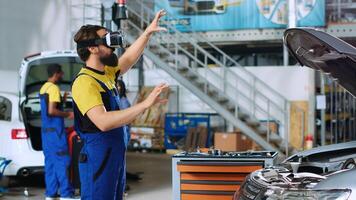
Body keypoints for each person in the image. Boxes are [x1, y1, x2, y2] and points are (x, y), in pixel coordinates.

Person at [71, 10, 168, 200]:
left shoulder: (105, 74)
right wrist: (144, 105)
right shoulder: (84, 82)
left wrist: (147, 33)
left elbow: (129, 58)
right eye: (107, 41)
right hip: (98, 155)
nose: (113, 46)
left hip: (113, 154)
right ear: (92, 48)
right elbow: (103, 122)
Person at [39, 64, 75, 200]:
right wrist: (68, 114)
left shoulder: (44, 87)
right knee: (63, 161)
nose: (62, 75)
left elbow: (47, 107)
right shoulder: (54, 88)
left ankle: (51, 194)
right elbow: (51, 111)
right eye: (61, 73)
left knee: (51, 163)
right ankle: (66, 194)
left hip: (46, 134)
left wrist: (62, 100)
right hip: (56, 133)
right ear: (56, 73)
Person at [116, 79, 131, 148]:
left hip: (123, 128)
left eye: (119, 86)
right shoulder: (117, 99)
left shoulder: (124, 101)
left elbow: (126, 117)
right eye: (116, 85)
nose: (117, 87)